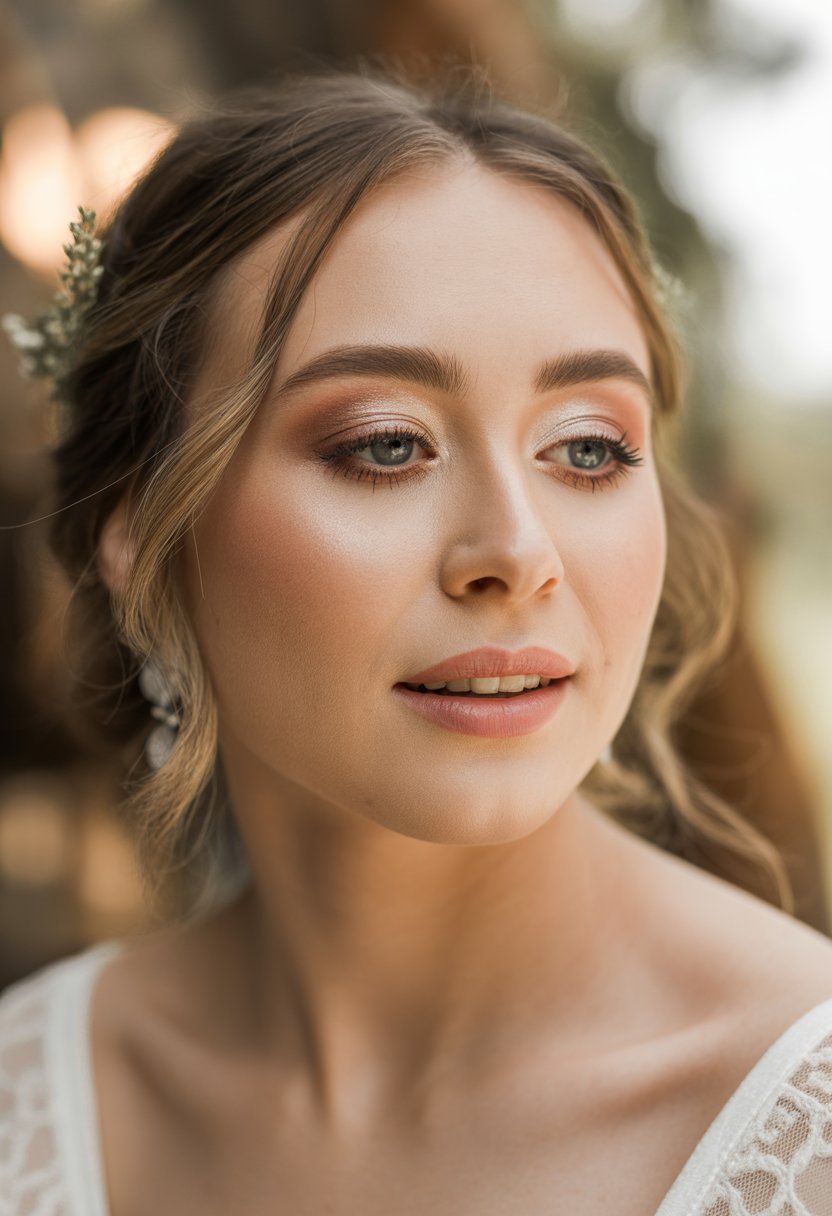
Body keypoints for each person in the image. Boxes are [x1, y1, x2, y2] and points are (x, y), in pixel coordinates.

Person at [1, 67, 831, 1216]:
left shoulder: (804, 1118)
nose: (516, 550)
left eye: (588, 447)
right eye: (386, 445)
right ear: (141, 533)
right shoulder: (25, 1101)